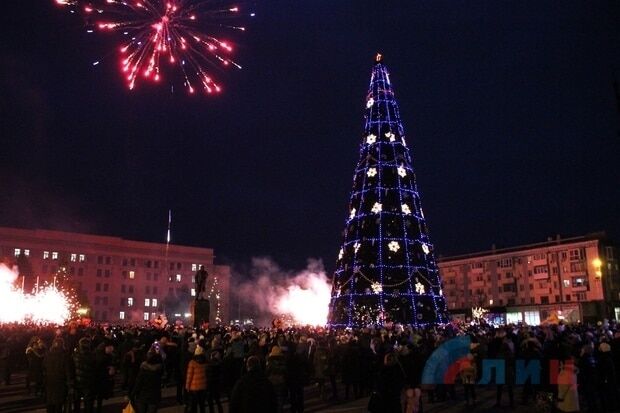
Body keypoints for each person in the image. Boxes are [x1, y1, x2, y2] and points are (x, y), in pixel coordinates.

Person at [43, 338, 72, 413]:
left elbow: (44, 368)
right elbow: (68, 371)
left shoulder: (48, 355)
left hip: (50, 381)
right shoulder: (65, 356)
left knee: (50, 402)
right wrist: (70, 384)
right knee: (59, 403)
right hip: (60, 381)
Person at [73, 337, 97, 413]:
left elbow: (72, 368)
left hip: (78, 382)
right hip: (89, 382)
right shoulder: (92, 356)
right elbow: (95, 369)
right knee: (89, 403)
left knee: (77, 402)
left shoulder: (75, 355)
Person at [185, 346, 207, 413]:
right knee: (202, 405)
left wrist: (187, 387)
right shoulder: (205, 361)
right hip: (203, 386)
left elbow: (189, 376)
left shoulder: (192, 362)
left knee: (193, 405)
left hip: (194, 387)